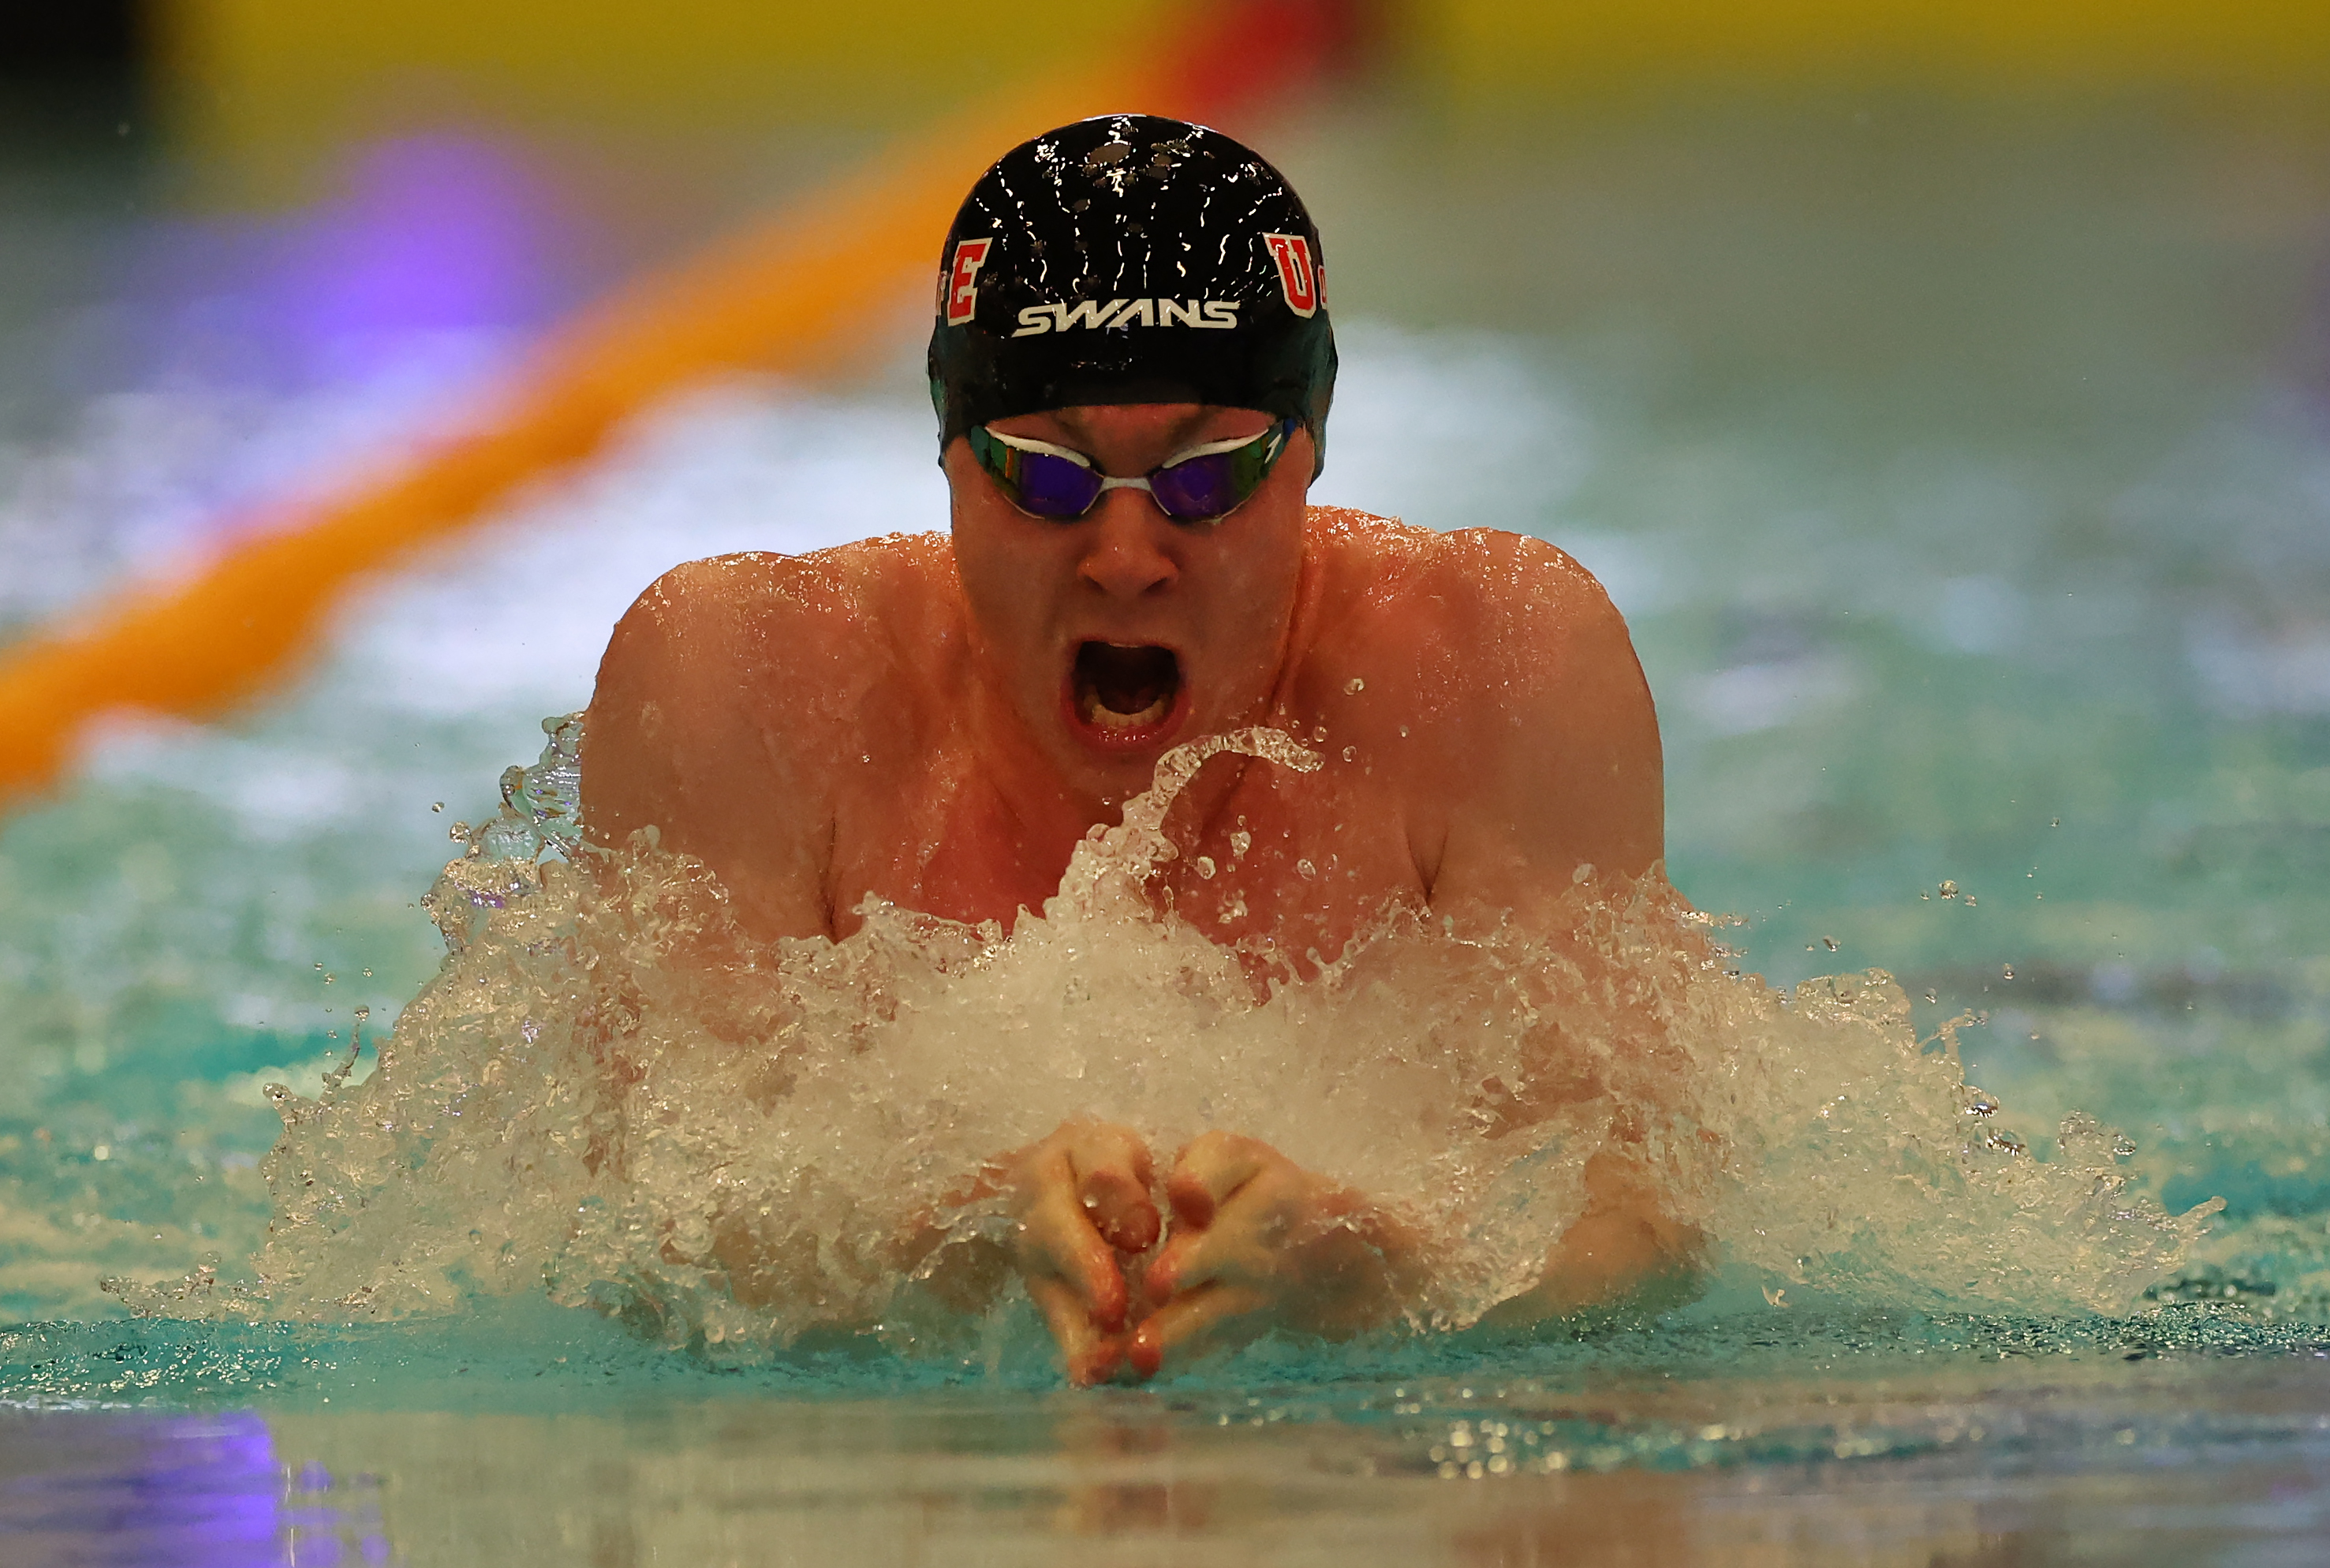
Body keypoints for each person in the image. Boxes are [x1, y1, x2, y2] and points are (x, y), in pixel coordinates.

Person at [581, 114, 1696, 1384]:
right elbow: (643, 1237)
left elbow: (1641, 1218)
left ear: (1307, 454)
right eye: (1044, 481)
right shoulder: (750, 683)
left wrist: (1372, 1268)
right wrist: (949, 1237)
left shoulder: (1489, 666)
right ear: (948, 455)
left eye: (1207, 478)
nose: (1122, 560)